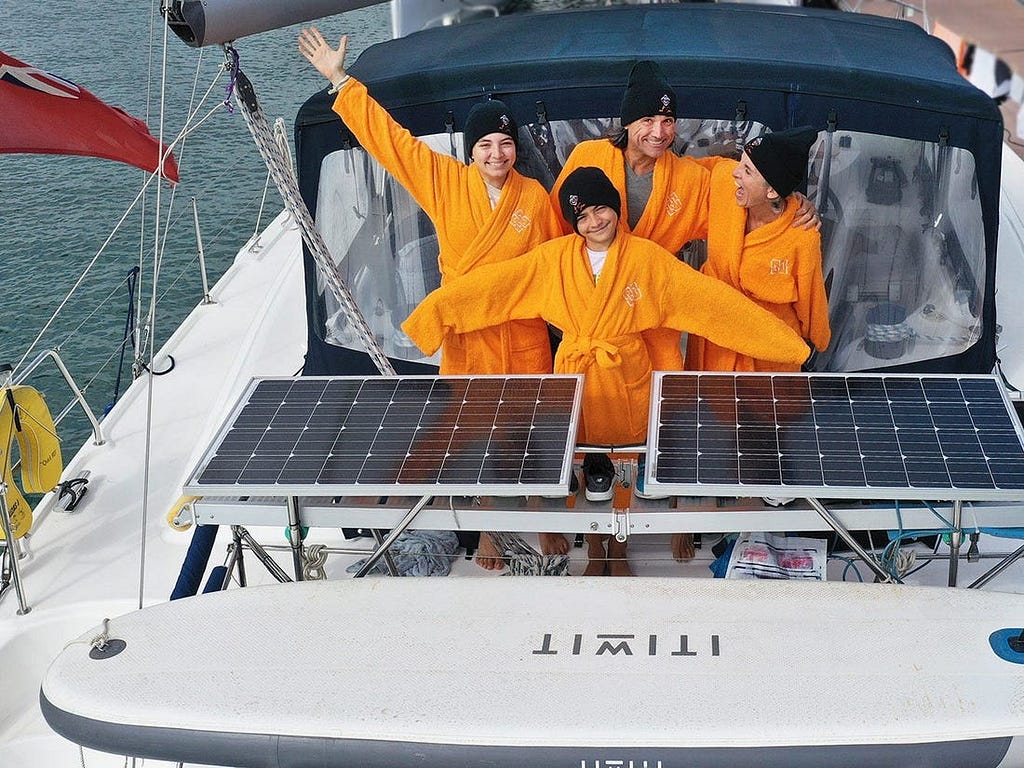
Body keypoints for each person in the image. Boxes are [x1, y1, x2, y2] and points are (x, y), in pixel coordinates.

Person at [401, 166, 811, 576]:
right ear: (573, 223)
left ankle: (619, 550)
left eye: (601, 209)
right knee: (584, 473)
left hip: (627, 383)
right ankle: (597, 550)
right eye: (582, 216)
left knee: (624, 473)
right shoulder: (552, 260)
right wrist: (432, 317)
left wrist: (785, 345)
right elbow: (492, 288)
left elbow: (714, 306)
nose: (595, 221)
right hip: (578, 386)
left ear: (615, 208)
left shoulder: (648, 260)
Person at [298, 27, 568, 570]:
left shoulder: (535, 198)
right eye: (486, 145)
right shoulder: (445, 181)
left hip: (521, 336)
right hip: (469, 337)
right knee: (475, 433)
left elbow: (556, 266)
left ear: (516, 148)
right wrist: (339, 80)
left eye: (505, 143)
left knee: (531, 428)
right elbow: (392, 144)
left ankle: (538, 512)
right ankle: (489, 527)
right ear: (472, 153)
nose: (497, 153)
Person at [550, 60, 819, 516]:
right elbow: (558, 226)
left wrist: (794, 201)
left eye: (668, 120)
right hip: (595, 308)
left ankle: (659, 493)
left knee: (659, 405)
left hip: (656, 305)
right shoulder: (587, 157)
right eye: (648, 120)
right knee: (592, 406)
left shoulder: (690, 177)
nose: (659, 132)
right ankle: (594, 479)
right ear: (627, 122)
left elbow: (744, 176)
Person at [686, 126, 831, 373]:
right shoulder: (725, 185)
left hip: (768, 354)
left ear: (772, 191)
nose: (735, 173)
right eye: (740, 163)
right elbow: (682, 171)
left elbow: (811, 303)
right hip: (716, 341)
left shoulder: (801, 237)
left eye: (747, 171)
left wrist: (817, 340)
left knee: (771, 410)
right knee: (712, 408)